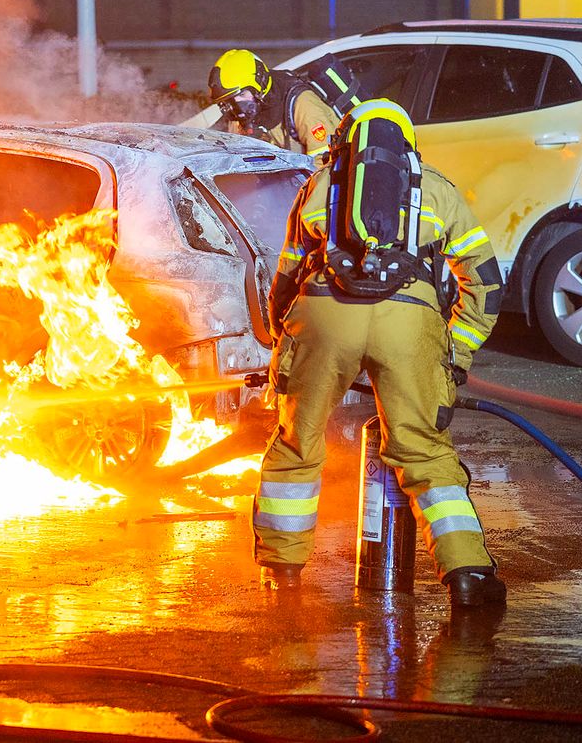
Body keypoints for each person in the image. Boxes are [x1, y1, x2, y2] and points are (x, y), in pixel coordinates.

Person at [256, 98, 505, 609]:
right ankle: (467, 577)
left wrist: (285, 341)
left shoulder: (321, 185)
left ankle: (282, 572)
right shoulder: (437, 189)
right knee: (425, 453)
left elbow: (286, 276)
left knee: (297, 441)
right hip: (409, 322)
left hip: (325, 311)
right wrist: (455, 351)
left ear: (347, 139)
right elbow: (485, 282)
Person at [208, 49, 340, 156]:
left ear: (260, 85)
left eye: (242, 94)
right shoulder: (241, 116)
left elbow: (323, 167)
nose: (238, 106)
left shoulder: (303, 105)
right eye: (231, 100)